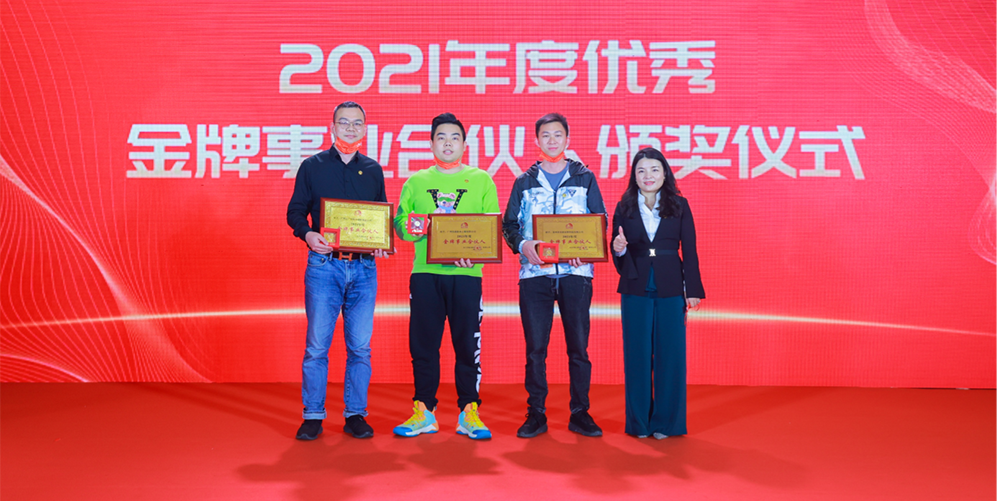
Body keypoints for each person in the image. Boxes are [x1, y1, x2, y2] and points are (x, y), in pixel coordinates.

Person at [392, 112, 500, 440]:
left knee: (467, 345)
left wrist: (475, 253)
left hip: (467, 275)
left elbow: (492, 227)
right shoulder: (416, 182)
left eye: (455, 137)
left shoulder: (481, 179)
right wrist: (421, 225)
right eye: (441, 137)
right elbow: (400, 225)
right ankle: (424, 410)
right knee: (423, 344)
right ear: (431, 144)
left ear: (465, 144)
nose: (448, 143)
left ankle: (469, 411)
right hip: (426, 273)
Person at [286, 101, 388, 441]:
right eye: (344, 123)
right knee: (317, 346)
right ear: (332, 127)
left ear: (365, 129)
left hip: (364, 269)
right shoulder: (312, 166)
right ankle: (313, 415)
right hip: (324, 267)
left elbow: (379, 220)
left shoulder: (373, 170)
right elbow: (295, 211)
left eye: (357, 123)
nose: (350, 128)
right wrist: (308, 234)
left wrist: (381, 242)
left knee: (360, 347)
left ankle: (355, 414)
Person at [502, 113, 607, 438]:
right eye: (545, 135)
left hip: (577, 273)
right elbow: (509, 225)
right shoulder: (524, 181)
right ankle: (536, 413)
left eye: (557, 135)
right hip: (535, 275)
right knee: (535, 349)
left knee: (579, 348)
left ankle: (580, 413)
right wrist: (523, 245)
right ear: (537, 140)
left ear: (567, 139)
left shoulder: (584, 178)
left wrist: (585, 249)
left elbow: (599, 219)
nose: (551, 140)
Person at [611, 147, 704, 439]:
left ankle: (666, 423)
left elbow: (689, 249)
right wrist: (618, 249)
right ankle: (639, 423)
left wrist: (693, 289)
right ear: (634, 176)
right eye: (641, 171)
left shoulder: (679, 204)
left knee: (670, 356)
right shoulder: (624, 206)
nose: (647, 176)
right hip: (635, 285)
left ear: (665, 173)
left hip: (671, 286)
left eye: (654, 170)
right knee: (636, 355)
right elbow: (618, 252)